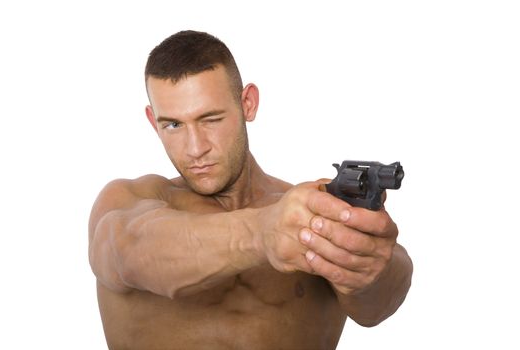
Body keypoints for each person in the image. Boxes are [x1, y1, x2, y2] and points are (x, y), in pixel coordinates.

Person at [88, 30, 413, 350]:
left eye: (211, 119)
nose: (195, 148)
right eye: (173, 125)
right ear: (152, 120)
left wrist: (368, 266)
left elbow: (376, 307)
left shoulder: (308, 210)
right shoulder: (130, 201)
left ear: (248, 104)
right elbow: (129, 250)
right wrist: (262, 232)